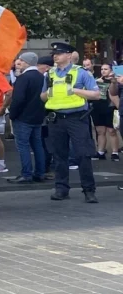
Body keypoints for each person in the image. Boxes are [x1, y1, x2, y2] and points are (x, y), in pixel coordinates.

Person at [43, 42, 101, 203]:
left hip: (77, 118)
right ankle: (61, 189)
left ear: (69, 55)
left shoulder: (81, 73)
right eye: (54, 54)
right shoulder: (50, 74)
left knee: (83, 154)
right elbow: (42, 97)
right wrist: (48, 94)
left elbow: (96, 95)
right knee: (59, 155)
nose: (55, 56)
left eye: (59, 53)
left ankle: (89, 190)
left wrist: (75, 91)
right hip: (56, 119)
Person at [7, 52, 48, 184]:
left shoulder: (23, 78)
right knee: (37, 145)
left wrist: (12, 114)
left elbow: (18, 99)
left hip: (23, 117)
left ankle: (26, 173)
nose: (19, 63)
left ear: (27, 62)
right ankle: (40, 172)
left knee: (23, 146)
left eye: (21, 60)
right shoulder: (42, 77)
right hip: (38, 116)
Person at [93, 63, 119, 161]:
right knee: (100, 131)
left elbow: (114, 93)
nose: (103, 71)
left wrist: (113, 82)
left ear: (111, 70)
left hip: (111, 108)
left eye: (106, 69)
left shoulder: (115, 81)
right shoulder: (97, 80)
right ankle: (100, 152)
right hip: (98, 108)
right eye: (102, 69)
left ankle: (115, 152)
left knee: (112, 131)